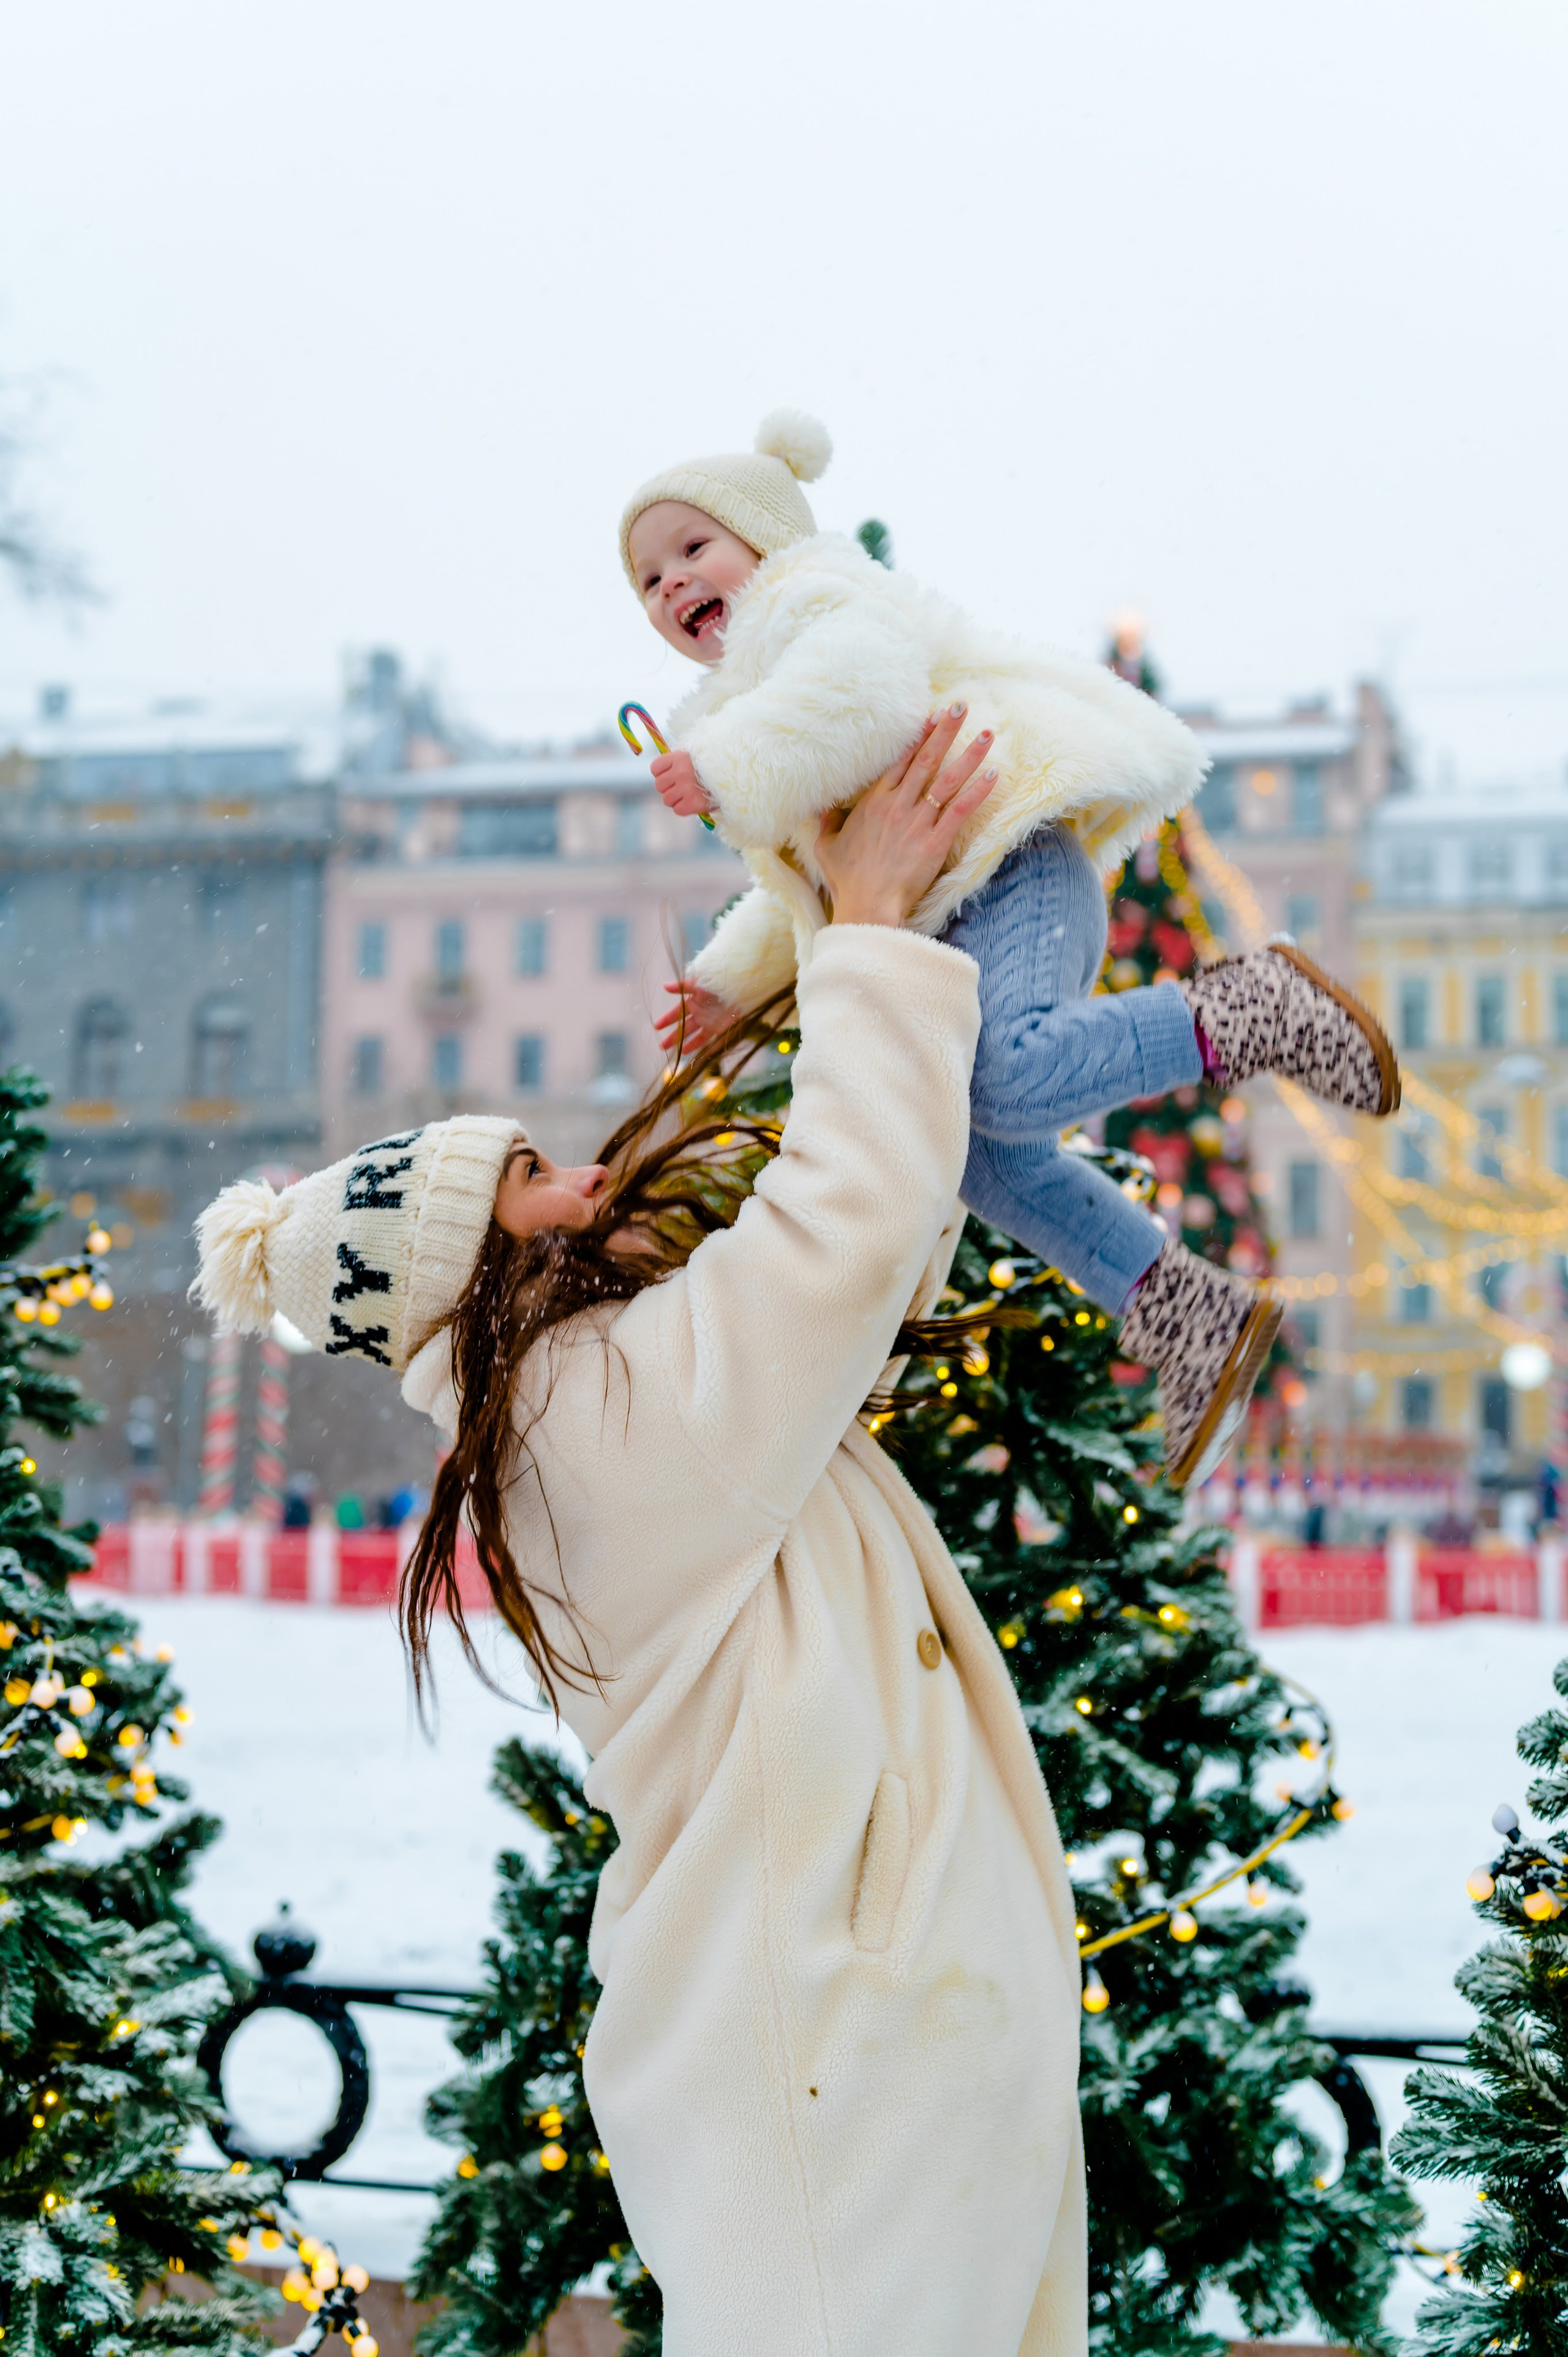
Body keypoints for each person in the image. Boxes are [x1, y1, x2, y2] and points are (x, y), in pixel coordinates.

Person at [194, 714, 1086, 2357]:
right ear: (463, 1254)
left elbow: (852, 1272)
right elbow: (830, 1242)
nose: (587, 1180)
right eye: (530, 1175)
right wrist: (868, 928)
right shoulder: (577, 1419)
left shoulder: (585, 1394)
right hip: (830, 2033)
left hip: (848, 2030)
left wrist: (838, 938)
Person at [622, 412, 1401, 1485]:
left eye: (691, 549)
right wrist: (724, 984)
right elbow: (797, 890)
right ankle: (1183, 1309)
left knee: (1011, 1074)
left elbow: (859, 698)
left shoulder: (818, 602)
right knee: (975, 1146)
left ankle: (1247, 1010)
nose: (670, 585)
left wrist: (722, 765)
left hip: (1013, 869)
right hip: (956, 915)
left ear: (767, 536)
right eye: (649, 581)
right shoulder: (746, 700)